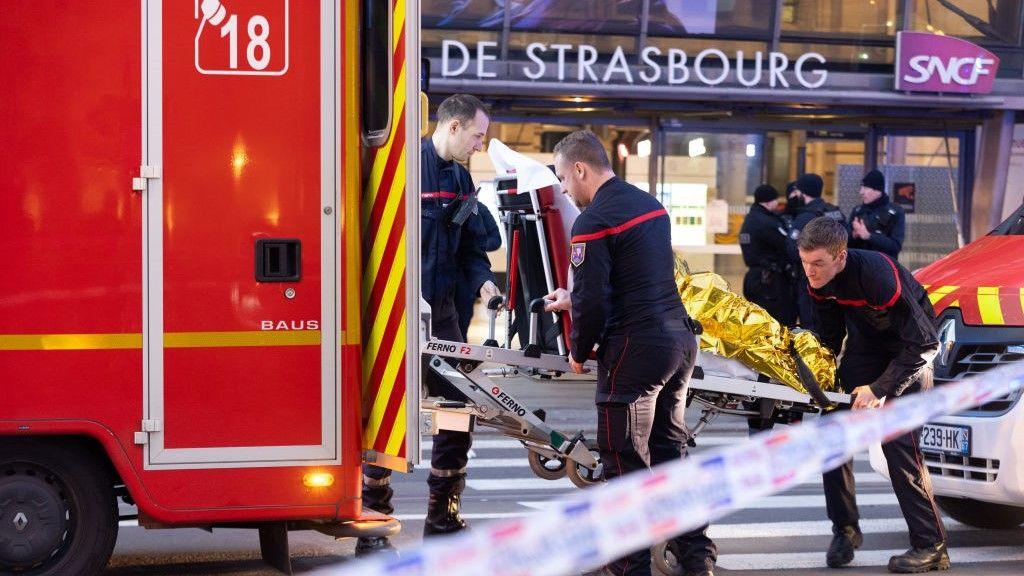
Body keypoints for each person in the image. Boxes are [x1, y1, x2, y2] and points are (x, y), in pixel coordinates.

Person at [544, 130, 716, 576]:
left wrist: (579, 349)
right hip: (678, 342)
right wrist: (574, 297)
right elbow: (635, 277)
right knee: (669, 452)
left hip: (635, 349)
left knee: (623, 459)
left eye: (563, 178)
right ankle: (697, 560)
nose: (564, 189)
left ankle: (629, 567)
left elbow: (596, 298)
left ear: (580, 169)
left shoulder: (593, 220)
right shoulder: (650, 205)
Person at [358, 94, 502, 555]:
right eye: (478, 135)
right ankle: (374, 526)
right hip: (396, 314)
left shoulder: (461, 178)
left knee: (457, 411)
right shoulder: (403, 167)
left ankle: (443, 516)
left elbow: (471, 250)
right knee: (389, 417)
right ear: (454, 127)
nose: (481, 145)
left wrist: (483, 285)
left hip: (443, 316)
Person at [797, 217, 948, 574]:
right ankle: (845, 530)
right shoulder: (819, 281)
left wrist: (880, 389)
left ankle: (932, 547)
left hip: (909, 352)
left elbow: (926, 343)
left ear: (841, 256)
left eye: (818, 264)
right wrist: (810, 376)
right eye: (805, 263)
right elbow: (830, 339)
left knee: (899, 446)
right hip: (866, 349)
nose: (810, 272)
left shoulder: (879, 276)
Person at [790, 173, 845, 329]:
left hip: (812, 281)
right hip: (838, 280)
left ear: (803, 193)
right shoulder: (836, 213)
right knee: (833, 326)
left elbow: (791, 249)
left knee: (811, 324)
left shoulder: (805, 218)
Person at [739, 184, 798, 328]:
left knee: (759, 323)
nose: (778, 204)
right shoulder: (766, 222)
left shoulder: (751, 218)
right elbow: (786, 244)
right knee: (777, 323)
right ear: (769, 201)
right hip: (769, 281)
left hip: (754, 278)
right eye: (776, 200)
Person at [455, 204, 502, 340]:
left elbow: (496, 240)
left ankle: (462, 357)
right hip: (441, 277)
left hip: (466, 276)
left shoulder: (479, 208)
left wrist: (477, 245)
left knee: (462, 322)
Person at [848, 169, 905, 259]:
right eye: (861, 188)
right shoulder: (857, 211)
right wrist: (854, 235)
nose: (861, 192)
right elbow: (846, 245)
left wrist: (868, 236)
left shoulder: (895, 212)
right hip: (859, 267)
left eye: (865, 188)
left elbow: (895, 246)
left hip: (883, 268)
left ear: (877, 191)